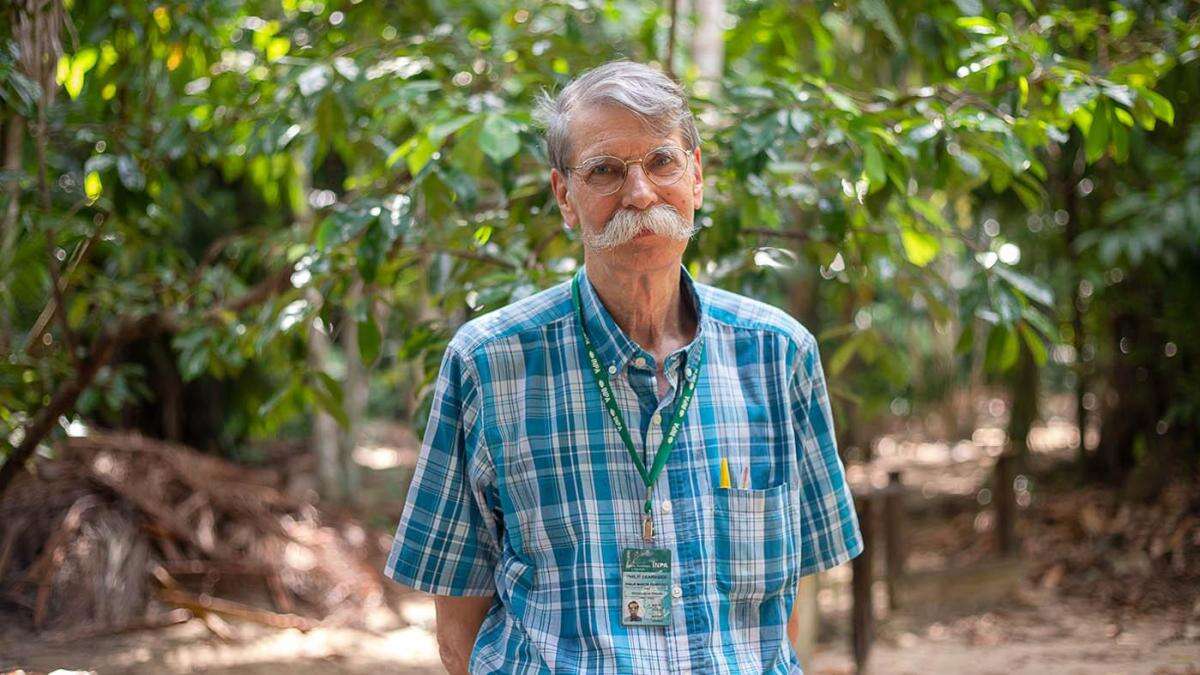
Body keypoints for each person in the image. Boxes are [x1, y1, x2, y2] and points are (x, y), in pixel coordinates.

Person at [385, 60, 863, 674]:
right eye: (606, 171)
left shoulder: (779, 355)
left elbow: (786, 609)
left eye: (661, 162)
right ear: (565, 196)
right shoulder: (489, 363)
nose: (639, 193)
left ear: (696, 176)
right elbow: (458, 629)